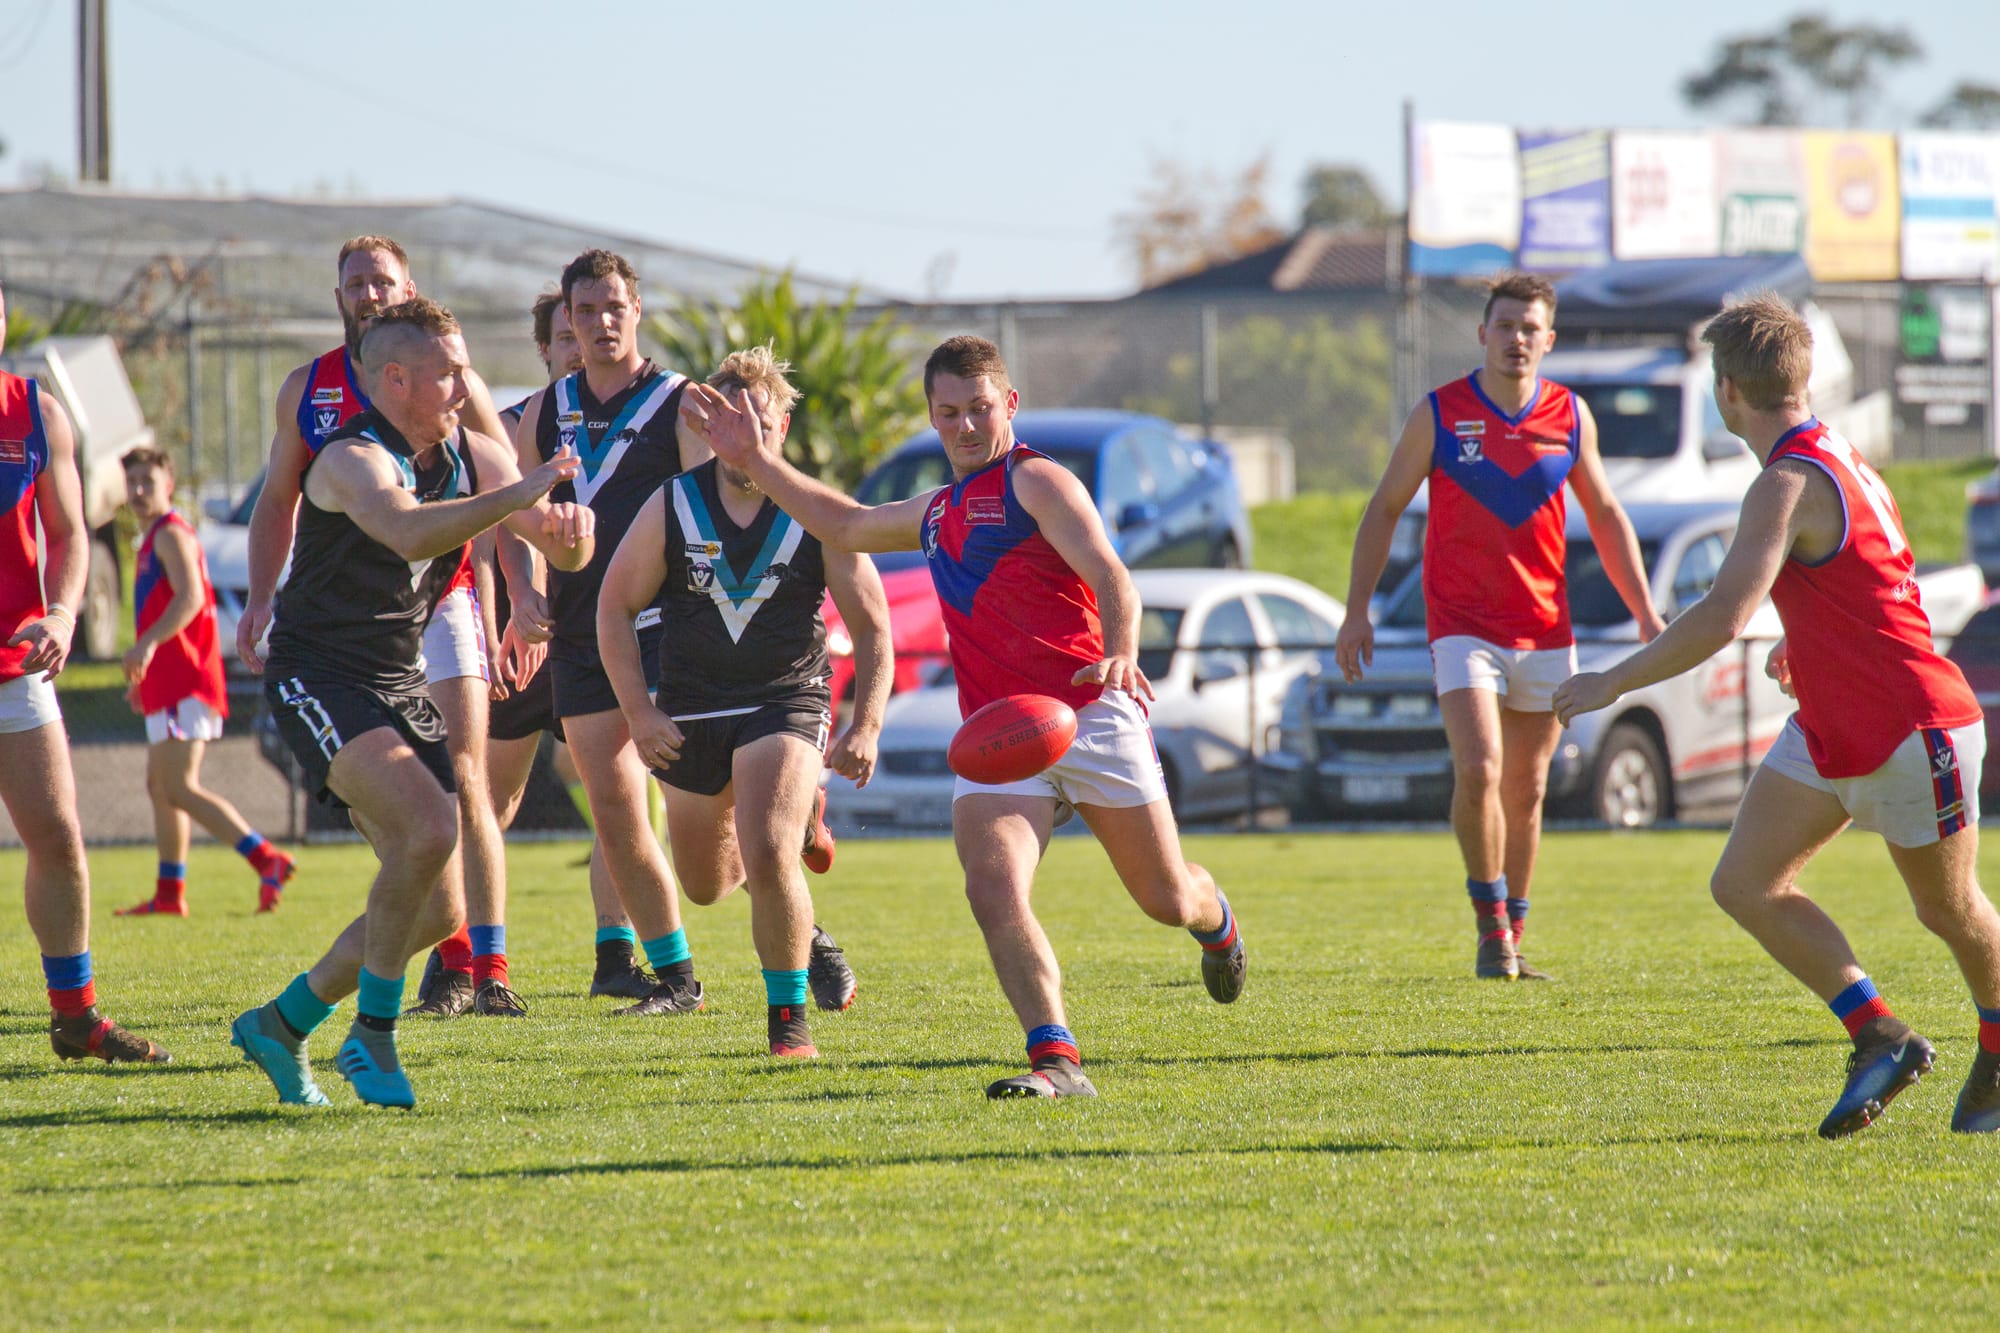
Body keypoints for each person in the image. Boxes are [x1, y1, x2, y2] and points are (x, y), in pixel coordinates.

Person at [685, 334, 1244, 1099]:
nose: (966, 426)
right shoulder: (937, 510)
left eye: (980, 408)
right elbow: (845, 526)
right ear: (932, 416)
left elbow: (1112, 575)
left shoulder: (1037, 481)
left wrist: (1120, 649)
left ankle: (1216, 920)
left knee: (1167, 898)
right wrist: (756, 457)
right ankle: (1057, 1059)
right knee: (992, 887)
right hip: (1000, 737)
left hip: (1089, 713)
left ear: (1008, 404)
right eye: (948, 412)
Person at [1553, 292, 2000, 1138]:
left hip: (1912, 728)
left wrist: (1612, 682)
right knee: (1745, 883)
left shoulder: (1785, 481)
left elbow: (1723, 616)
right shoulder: (1833, 454)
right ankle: (1880, 1034)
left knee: (1948, 910)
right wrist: (1808, 638)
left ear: (1727, 390)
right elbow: (1869, 573)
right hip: (1835, 723)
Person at [229, 298, 593, 1108]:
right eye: (449, 372)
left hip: (396, 680)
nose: (466, 385)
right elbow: (410, 532)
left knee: (439, 907)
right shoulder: (350, 458)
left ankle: (283, 1022)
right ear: (395, 380)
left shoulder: (472, 452)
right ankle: (373, 1035)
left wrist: (573, 530)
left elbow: (556, 539)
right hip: (321, 677)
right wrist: (521, 495)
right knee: (430, 828)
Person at [1333, 271, 1665, 981]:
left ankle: (1514, 931)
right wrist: (1357, 610)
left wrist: (1644, 611)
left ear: (1550, 339)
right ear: (1483, 333)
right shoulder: (1440, 413)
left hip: (1544, 629)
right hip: (1461, 626)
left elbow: (1607, 515)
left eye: (1530, 327)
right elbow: (1384, 508)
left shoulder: (1570, 415)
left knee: (1527, 788)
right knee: (1480, 767)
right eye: (1505, 325)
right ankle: (1490, 931)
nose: (1517, 338)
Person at [241, 235, 525, 1016]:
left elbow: (512, 498)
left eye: (382, 281)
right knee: (418, 825)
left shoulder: (453, 386)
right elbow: (281, 500)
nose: (369, 293)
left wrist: (523, 597)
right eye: (356, 282)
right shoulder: (312, 394)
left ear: (409, 289)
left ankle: (485, 964)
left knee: (460, 789)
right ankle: (404, 996)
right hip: (341, 638)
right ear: (339, 297)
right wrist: (261, 594)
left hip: (440, 601)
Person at [599, 346, 891, 1057]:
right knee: (706, 885)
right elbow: (613, 607)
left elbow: (872, 625)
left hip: (784, 700)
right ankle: (802, 904)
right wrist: (640, 712)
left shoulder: (814, 509)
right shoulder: (672, 502)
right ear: (706, 426)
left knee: (766, 849)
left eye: (755, 420)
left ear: (780, 425)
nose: (739, 434)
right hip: (691, 708)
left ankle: (788, 1023)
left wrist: (867, 724)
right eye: (726, 419)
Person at [0, 278, 169, 1066]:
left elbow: (68, 534)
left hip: (16, 664)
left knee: (59, 835)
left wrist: (65, 613)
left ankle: (75, 1016)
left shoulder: (37, 412)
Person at [115, 446, 294, 916]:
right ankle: (169, 893)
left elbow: (191, 598)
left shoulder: (171, 534)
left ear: (169, 485)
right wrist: (145, 674)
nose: (138, 490)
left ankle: (266, 858)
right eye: (132, 481)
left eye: (148, 481)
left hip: (185, 678)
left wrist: (147, 646)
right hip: (168, 680)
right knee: (161, 785)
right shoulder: (154, 536)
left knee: (177, 786)